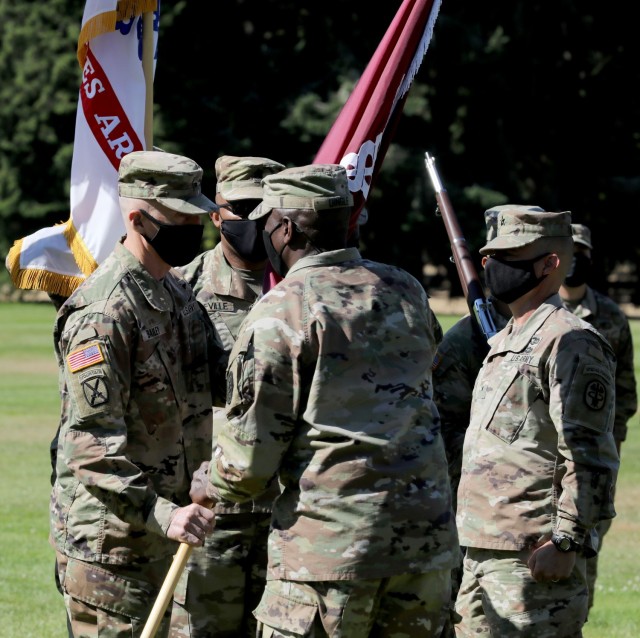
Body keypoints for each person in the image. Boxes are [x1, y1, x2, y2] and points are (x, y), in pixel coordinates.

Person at [191, 163, 460, 637]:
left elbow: (249, 463)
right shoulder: (407, 290)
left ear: (286, 229)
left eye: (268, 220)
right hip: (424, 549)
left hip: (329, 556)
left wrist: (209, 483)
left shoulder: (282, 310)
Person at [50, 150, 217, 638]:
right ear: (138, 218)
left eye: (196, 216)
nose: (193, 227)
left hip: (161, 540)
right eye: (179, 218)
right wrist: (164, 514)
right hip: (112, 550)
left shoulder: (178, 296)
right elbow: (90, 448)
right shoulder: (103, 313)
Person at [454, 208, 619, 637]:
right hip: (480, 547)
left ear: (550, 264)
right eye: (490, 256)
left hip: (532, 554)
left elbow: (589, 454)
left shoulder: (570, 340)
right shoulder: (507, 337)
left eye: (511, 255)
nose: (494, 266)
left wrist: (567, 541)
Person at [170, 155, 285, 638]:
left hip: (288, 513)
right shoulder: (183, 291)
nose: (252, 219)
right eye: (239, 208)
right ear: (215, 215)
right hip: (214, 513)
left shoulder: (304, 289)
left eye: (264, 207)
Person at [432, 204, 544, 638]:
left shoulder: (554, 334)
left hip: (537, 520)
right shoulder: (465, 342)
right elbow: (442, 433)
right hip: (472, 518)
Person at [560, 222, 638, 612]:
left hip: (593, 457)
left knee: (585, 544)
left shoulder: (610, 317)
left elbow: (625, 393)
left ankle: (577, 618)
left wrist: (611, 440)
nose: (575, 262)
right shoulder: (531, 310)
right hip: (542, 455)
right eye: (568, 253)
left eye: (582, 255)